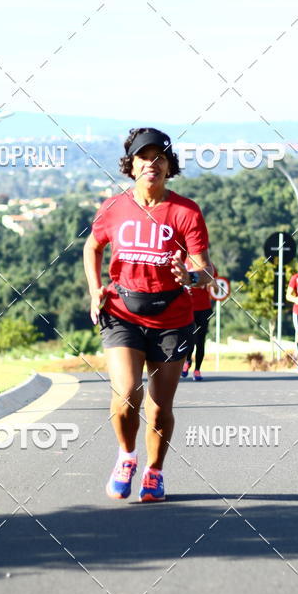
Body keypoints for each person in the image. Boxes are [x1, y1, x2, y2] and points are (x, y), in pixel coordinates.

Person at [83, 127, 214, 502]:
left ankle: (154, 472)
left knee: (159, 409)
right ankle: (126, 456)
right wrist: (95, 289)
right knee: (127, 394)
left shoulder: (186, 211)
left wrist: (189, 276)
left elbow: (205, 270)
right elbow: (93, 246)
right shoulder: (114, 207)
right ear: (131, 165)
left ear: (169, 166)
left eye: (159, 157)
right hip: (122, 312)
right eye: (143, 157)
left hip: (172, 318)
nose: (151, 163)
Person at [181, 261, 217, 381]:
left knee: (200, 340)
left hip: (204, 309)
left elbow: (217, 291)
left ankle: (197, 370)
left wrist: (214, 285)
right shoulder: (184, 264)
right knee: (189, 337)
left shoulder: (209, 266)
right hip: (188, 308)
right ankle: (187, 361)